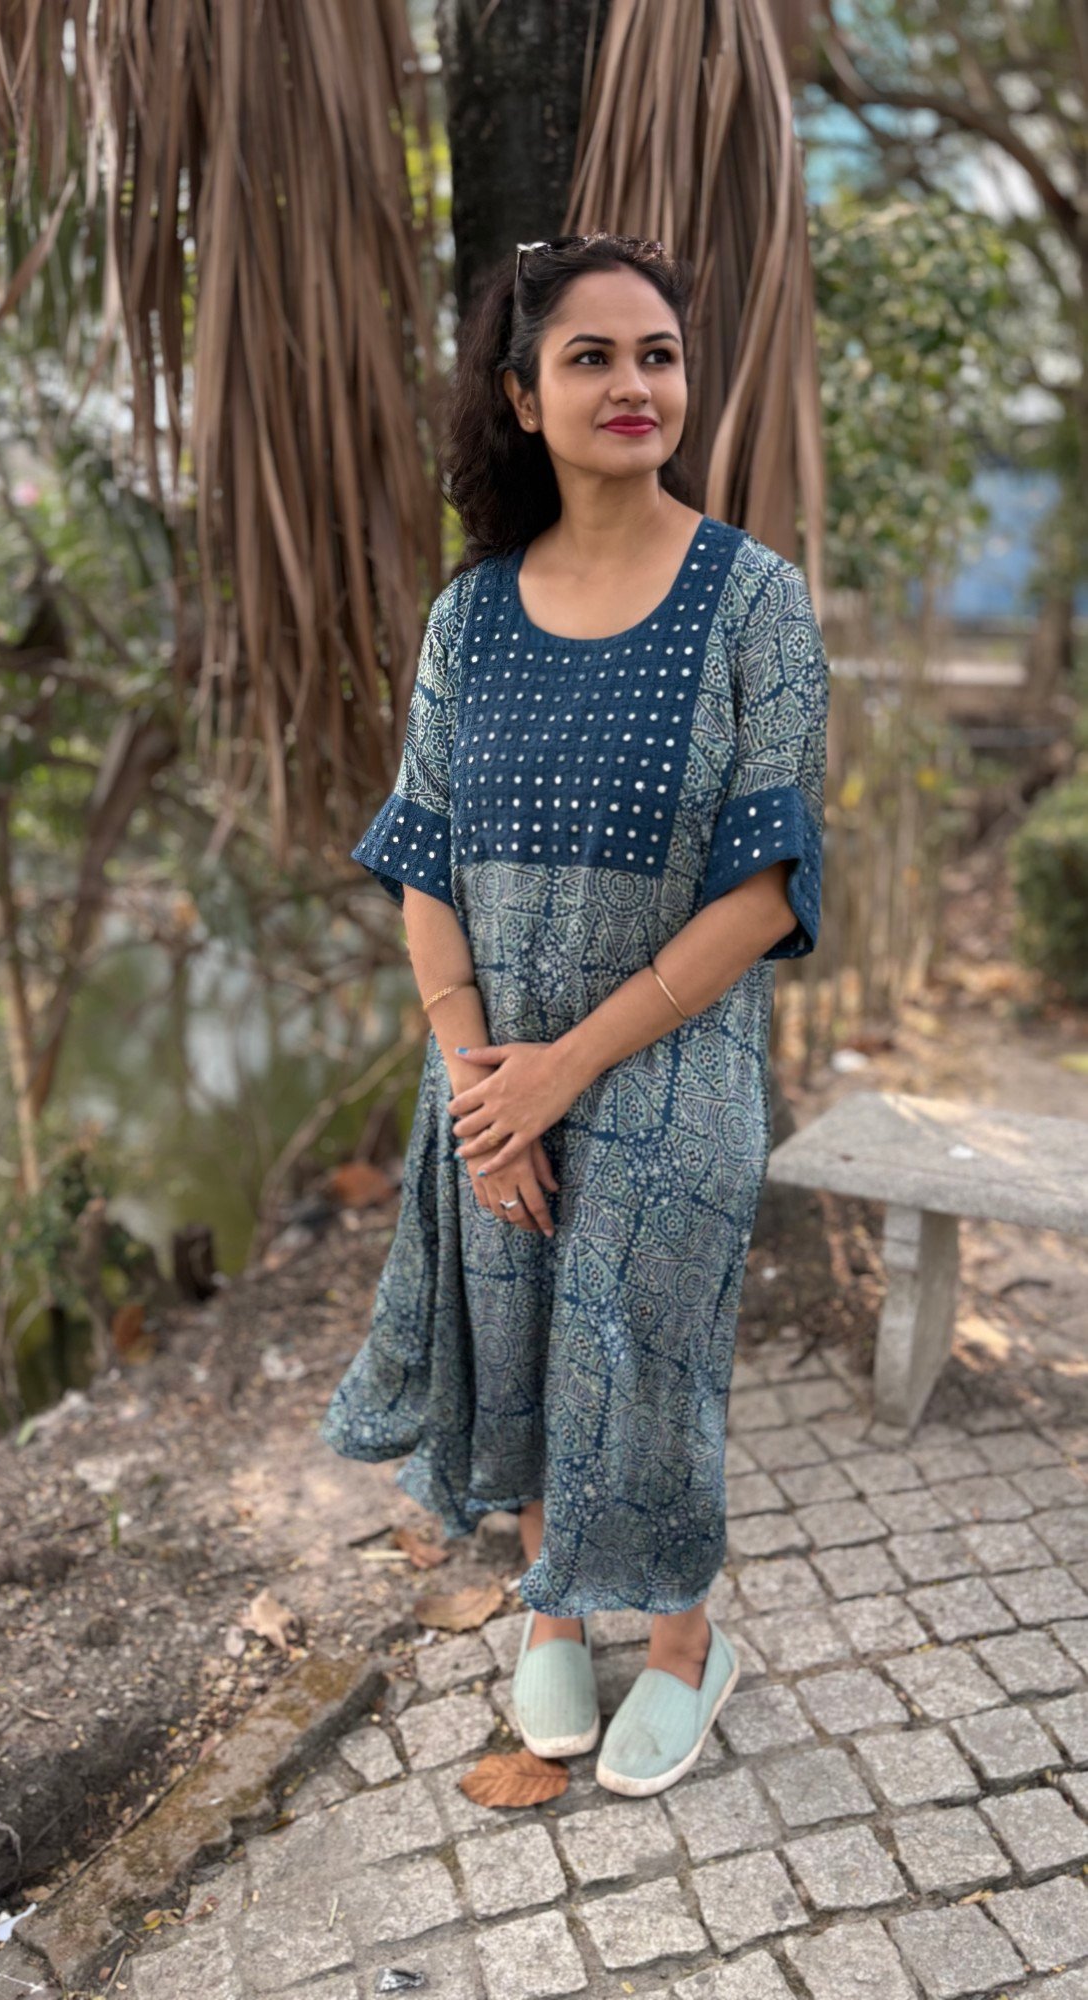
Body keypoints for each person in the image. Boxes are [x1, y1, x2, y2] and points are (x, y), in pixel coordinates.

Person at [320, 232, 830, 1797]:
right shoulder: (467, 618)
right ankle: (552, 1603)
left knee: (648, 1355)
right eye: (589, 357)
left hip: (670, 1068)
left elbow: (766, 889)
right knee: (520, 1332)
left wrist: (561, 1074)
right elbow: (422, 856)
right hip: (489, 1068)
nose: (631, 384)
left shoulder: (753, 602)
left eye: (655, 354)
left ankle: (680, 1642)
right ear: (521, 397)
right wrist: (480, 1080)